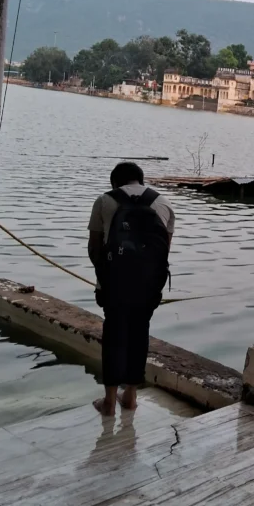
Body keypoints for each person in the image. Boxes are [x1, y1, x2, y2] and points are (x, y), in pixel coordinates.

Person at [88, 162, 174, 415]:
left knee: (114, 337)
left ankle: (108, 402)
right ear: (141, 180)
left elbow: (94, 248)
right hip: (148, 285)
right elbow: (164, 251)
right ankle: (131, 397)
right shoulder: (164, 203)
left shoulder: (104, 200)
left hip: (114, 283)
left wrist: (104, 276)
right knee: (139, 333)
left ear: (115, 182)